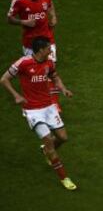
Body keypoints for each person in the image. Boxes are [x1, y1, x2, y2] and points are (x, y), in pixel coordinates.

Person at [0, 36, 77, 191]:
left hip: (49, 107)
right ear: (41, 49)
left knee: (63, 137)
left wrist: (63, 89)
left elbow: (55, 77)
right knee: (49, 140)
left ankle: (46, 151)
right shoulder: (23, 63)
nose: (51, 50)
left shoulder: (49, 63)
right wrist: (16, 96)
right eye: (49, 48)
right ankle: (64, 177)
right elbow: (4, 79)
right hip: (32, 110)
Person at [7, 0, 61, 111]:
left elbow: (50, 5)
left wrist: (53, 16)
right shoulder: (19, 1)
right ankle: (32, 103)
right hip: (30, 44)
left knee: (50, 71)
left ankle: (53, 103)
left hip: (47, 40)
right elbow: (10, 18)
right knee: (33, 75)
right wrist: (23, 22)